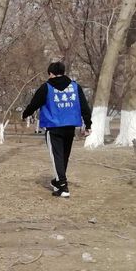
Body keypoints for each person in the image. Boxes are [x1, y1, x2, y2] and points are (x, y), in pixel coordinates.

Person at [22, 61, 92, 198]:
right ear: (63, 72)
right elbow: (85, 107)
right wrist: (88, 125)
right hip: (70, 126)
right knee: (64, 156)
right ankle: (57, 181)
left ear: (50, 73)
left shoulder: (46, 87)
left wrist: (25, 114)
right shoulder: (75, 87)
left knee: (57, 157)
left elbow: (34, 104)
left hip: (53, 127)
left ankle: (63, 187)